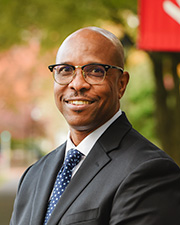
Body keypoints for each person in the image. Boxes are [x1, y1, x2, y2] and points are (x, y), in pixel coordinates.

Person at [10, 27, 180, 225]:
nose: (77, 84)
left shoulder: (150, 171)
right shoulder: (33, 175)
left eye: (95, 71)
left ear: (121, 84)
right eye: (65, 70)